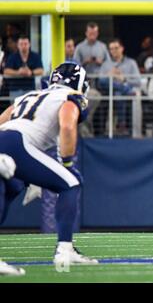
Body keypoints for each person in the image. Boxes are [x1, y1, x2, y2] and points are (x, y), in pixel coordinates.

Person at [0, 62, 98, 265]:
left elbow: (2, 120)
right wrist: (68, 163)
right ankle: (65, 249)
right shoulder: (71, 97)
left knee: (12, 187)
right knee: (70, 183)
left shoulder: (27, 96)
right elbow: (68, 126)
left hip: (6, 137)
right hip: (18, 143)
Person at [98, 38, 141, 135]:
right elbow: (100, 81)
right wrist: (110, 75)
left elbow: (138, 81)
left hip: (121, 94)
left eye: (116, 48)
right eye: (111, 49)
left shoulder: (131, 63)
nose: (113, 51)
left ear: (122, 48)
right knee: (104, 80)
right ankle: (122, 125)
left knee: (118, 93)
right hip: (108, 91)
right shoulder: (106, 64)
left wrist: (124, 79)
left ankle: (121, 125)